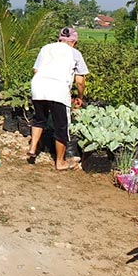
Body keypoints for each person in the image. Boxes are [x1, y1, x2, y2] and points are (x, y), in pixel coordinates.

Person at [27, 27, 89, 171]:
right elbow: (80, 80)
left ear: (59, 39)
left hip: (38, 86)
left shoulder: (46, 48)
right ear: (74, 42)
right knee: (61, 126)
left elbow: (36, 70)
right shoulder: (74, 53)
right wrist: (80, 97)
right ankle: (60, 162)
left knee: (39, 118)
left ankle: (33, 148)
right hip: (58, 90)